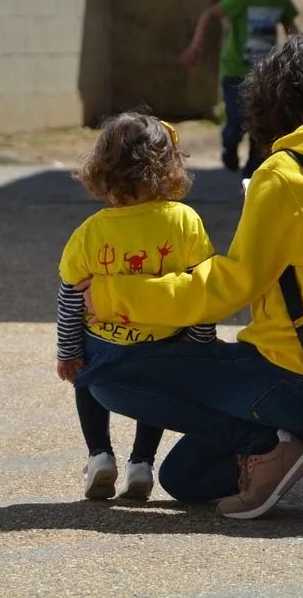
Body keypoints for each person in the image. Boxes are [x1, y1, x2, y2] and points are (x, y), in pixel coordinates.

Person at [74, 33, 303, 520]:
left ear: (276, 98)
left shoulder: (284, 173)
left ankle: (285, 445)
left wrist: (113, 294)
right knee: (184, 478)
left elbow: (228, 287)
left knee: (105, 378)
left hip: (292, 378)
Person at [56, 113, 217, 501]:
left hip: (103, 343)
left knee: (86, 383)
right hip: (162, 340)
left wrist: (68, 351)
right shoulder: (184, 221)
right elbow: (205, 286)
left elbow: (70, 295)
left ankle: (99, 456)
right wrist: (201, 342)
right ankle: (142, 463)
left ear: (102, 169)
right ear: (168, 168)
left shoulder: (91, 231)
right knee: (153, 395)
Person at [180, 0, 300, 194]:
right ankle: (229, 144)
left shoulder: (282, 1)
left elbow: (293, 30)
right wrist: (196, 46)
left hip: (264, 76)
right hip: (235, 71)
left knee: (261, 127)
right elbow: (210, 14)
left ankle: (251, 174)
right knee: (236, 122)